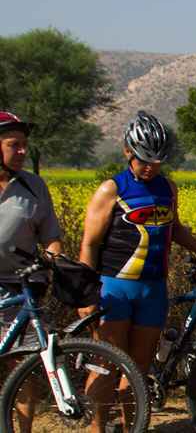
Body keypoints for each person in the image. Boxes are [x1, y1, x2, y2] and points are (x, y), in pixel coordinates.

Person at [79, 112, 196, 431]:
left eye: (157, 161)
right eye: (143, 161)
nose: (150, 168)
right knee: (107, 366)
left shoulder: (168, 188)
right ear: (127, 152)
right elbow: (90, 244)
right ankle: (97, 428)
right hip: (115, 288)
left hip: (153, 290)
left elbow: (175, 229)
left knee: (137, 371)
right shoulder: (111, 189)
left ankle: (133, 427)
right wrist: (85, 291)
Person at [0, 112, 63, 433]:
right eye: (15, 145)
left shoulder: (34, 186)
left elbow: (52, 237)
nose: (23, 151)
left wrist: (51, 260)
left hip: (20, 290)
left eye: (25, 145)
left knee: (22, 368)